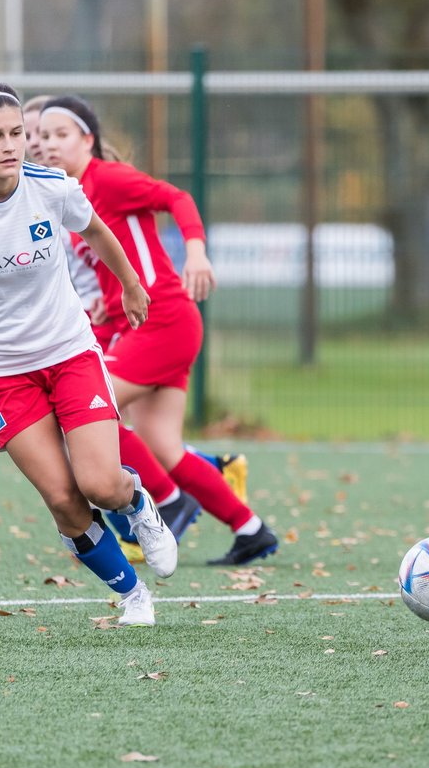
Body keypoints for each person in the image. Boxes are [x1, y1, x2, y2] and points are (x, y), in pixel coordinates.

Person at [0, 83, 178, 626]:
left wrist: (129, 284)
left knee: (99, 484)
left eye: (17, 134)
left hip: (70, 352)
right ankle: (133, 596)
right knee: (63, 500)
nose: (11, 145)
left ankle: (138, 503)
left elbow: (97, 231)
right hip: (2, 374)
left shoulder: (53, 186)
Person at [37, 94, 276, 566]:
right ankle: (252, 531)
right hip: (150, 323)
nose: (47, 144)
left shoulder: (108, 178)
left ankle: (167, 503)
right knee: (163, 443)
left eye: (60, 135)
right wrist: (104, 309)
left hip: (164, 319)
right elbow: (114, 267)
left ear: (88, 139)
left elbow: (177, 197)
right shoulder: (69, 195)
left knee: (91, 411)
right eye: (42, 136)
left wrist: (197, 251)